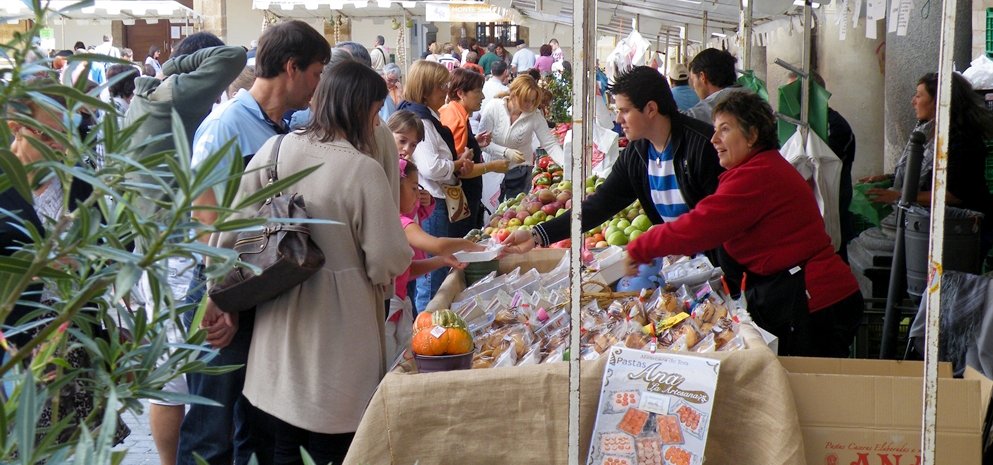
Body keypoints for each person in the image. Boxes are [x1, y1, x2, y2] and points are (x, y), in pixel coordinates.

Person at [213, 60, 411, 464]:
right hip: (340, 342)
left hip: (274, 341)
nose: (377, 124)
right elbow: (387, 259)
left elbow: (227, 234)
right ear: (361, 111)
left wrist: (222, 301)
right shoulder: (362, 171)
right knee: (329, 451)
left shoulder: (276, 148)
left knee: (276, 449)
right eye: (375, 113)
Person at [179, 20, 330, 465]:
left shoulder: (280, 126)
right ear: (292, 67)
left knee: (257, 428)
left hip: (257, 290)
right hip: (221, 292)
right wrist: (221, 298)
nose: (319, 85)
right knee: (211, 433)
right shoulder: (226, 125)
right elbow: (205, 217)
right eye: (318, 72)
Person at [626, 91, 863, 357]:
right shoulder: (757, 169)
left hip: (812, 300)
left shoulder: (757, 176)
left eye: (724, 130)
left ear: (752, 135)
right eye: (715, 130)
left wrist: (640, 247)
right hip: (797, 295)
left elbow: (702, 225)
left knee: (810, 389)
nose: (714, 140)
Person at [503, 66, 721, 252]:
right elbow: (601, 203)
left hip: (717, 264)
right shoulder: (637, 153)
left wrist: (648, 247)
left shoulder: (705, 147)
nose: (618, 119)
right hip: (683, 263)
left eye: (624, 111)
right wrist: (537, 234)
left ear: (651, 109)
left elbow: (716, 218)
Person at [864, 72, 993, 259]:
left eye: (919, 95)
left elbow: (954, 195)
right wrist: (888, 179)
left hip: (963, 231)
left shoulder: (963, 141)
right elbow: (927, 171)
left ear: (937, 101)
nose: (913, 101)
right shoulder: (932, 133)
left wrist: (901, 196)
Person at [400, 60, 475, 313]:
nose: (446, 90)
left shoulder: (429, 118)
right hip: (432, 205)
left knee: (430, 276)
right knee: (430, 285)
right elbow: (431, 167)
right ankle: (426, 328)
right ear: (425, 89)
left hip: (431, 203)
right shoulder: (420, 121)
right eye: (441, 85)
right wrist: (455, 164)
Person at [391, 157, 481, 353]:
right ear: (394, 188)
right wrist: (467, 244)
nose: (418, 195)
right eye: (414, 188)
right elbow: (437, 244)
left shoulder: (400, 219)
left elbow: (408, 270)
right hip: (389, 311)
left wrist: (441, 261)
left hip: (396, 306)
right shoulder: (400, 222)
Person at [787, 71, 857, 261]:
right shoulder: (799, 127)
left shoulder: (835, 126)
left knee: (834, 253)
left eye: (794, 94)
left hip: (833, 200)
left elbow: (822, 167)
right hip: (809, 207)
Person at [440, 68, 508, 238]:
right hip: (459, 201)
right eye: (478, 92)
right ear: (461, 93)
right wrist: (492, 166)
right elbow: (460, 170)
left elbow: (456, 150)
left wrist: (474, 142)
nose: (483, 97)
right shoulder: (456, 119)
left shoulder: (457, 114)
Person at [478, 74, 562, 201]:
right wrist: (506, 152)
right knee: (490, 210)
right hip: (492, 169)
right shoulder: (493, 107)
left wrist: (565, 164)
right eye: (526, 100)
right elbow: (482, 143)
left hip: (520, 171)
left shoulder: (535, 115)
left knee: (516, 211)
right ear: (514, 95)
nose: (530, 105)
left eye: (533, 101)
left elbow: (550, 143)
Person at [684, 48, 743, 124]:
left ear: (702, 77)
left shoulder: (709, 108)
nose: (693, 86)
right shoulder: (750, 94)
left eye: (693, 80)